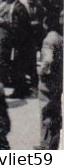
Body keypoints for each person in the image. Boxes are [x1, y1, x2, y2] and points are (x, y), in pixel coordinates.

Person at [37, 13, 62, 150]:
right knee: (55, 113)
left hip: (48, 82)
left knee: (46, 112)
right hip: (58, 80)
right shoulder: (59, 37)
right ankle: (53, 144)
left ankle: (46, 145)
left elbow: (48, 60)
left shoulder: (49, 39)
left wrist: (40, 72)